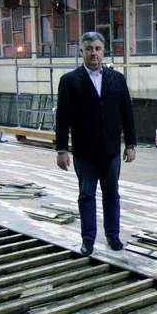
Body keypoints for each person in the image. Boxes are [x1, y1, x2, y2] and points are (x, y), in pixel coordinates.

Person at [55, 31, 136, 256]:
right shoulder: (70, 81)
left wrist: (130, 144)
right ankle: (88, 239)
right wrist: (61, 149)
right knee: (86, 196)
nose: (94, 53)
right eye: (89, 49)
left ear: (103, 51)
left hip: (111, 151)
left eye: (98, 49)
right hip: (85, 152)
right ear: (81, 52)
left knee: (112, 195)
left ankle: (113, 236)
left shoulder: (117, 79)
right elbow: (62, 117)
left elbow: (127, 113)